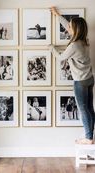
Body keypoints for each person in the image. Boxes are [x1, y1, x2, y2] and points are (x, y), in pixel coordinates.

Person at [50, 7, 94, 144]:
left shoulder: (74, 45)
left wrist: (51, 48)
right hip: (89, 79)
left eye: (71, 26)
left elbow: (61, 57)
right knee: (89, 108)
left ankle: (88, 138)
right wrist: (57, 15)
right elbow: (68, 26)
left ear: (75, 29)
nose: (68, 28)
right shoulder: (84, 41)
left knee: (83, 110)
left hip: (80, 81)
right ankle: (90, 135)